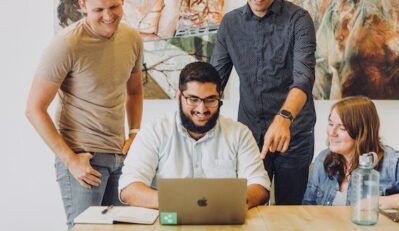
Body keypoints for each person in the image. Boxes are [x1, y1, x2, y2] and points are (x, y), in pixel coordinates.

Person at [25, 0, 143, 228]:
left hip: (120, 156)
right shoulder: (66, 44)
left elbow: (135, 91)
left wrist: (135, 131)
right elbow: (33, 108)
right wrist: (70, 160)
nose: (108, 16)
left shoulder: (132, 38)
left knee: (123, 229)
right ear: (83, 4)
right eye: (98, 10)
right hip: (84, 160)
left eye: (114, 7)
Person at [119, 62, 270, 209]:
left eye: (210, 99)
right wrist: (179, 203)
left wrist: (232, 202)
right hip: (169, 220)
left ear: (219, 97)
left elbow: (260, 185)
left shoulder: (239, 134)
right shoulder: (155, 131)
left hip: (223, 221)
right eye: (193, 99)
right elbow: (129, 187)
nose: (202, 109)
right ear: (179, 96)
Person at [210, 0, 317, 205]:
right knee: (248, 206)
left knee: (289, 211)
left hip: (293, 135)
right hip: (250, 134)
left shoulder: (299, 19)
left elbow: (304, 77)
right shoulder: (230, 24)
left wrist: (284, 118)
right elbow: (215, 80)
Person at [302, 96, 399, 208]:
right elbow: (308, 209)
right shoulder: (323, 159)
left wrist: (381, 201)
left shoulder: (393, 164)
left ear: (361, 132)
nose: (331, 133)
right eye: (331, 124)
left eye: (342, 128)